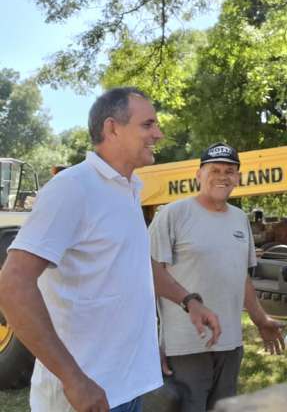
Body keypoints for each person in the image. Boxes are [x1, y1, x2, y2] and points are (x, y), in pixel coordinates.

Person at [0, 87, 221, 412]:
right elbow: (12, 285)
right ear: (112, 128)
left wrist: (189, 302)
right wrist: (73, 379)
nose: (158, 134)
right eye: (148, 124)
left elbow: (135, 263)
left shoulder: (128, 189)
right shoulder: (72, 188)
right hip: (83, 396)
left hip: (125, 388)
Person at [149, 142, 285, 412]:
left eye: (230, 170)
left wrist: (260, 318)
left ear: (237, 178)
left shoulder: (239, 219)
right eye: (215, 169)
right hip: (184, 345)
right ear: (198, 175)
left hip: (230, 344)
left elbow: (241, 276)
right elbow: (149, 277)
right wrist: (150, 342)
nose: (223, 176)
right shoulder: (172, 215)